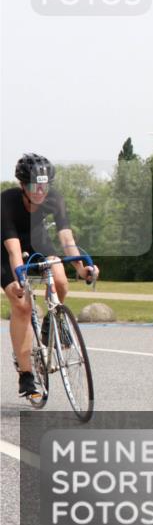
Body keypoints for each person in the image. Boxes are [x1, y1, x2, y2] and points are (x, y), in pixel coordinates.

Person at [2, 154, 99, 400]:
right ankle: (26, 375)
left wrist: (81, 269)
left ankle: (49, 325)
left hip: (37, 240)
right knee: (22, 305)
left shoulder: (54, 199)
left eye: (44, 186)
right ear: (22, 185)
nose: (40, 191)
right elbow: (14, 251)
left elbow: (66, 239)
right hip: (7, 248)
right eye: (34, 186)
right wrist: (20, 281)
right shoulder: (7, 202)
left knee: (61, 280)